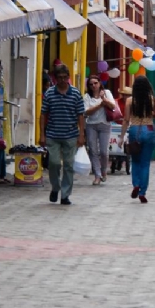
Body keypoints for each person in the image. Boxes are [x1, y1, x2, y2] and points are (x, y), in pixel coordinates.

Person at [39, 64, 86, 205]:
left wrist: (81, 134)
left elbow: (80, 115)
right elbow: (43, 115)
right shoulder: (49, 93)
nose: (62, 80)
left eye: (65, 77)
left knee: (68, 165)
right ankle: (55, 187)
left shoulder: (76, 94)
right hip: (53, 134)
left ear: (68, 78)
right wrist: (42, 135)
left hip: (71, 134)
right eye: (60, 77)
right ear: (55, 78)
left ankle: (65, 195)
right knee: (53, 163)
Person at [118, 76, 155, 203]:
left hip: (134, 130)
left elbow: (126, 120)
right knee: (145, 163)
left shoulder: (130, 101)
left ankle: (136, 184)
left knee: (135, 161)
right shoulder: (152, 100)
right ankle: (142, 192)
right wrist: (152, 113)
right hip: (148, 129)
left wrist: (121, 137)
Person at [83, 75, 116, 185]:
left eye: (95, 83)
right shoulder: (87, 96)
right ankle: (97, 175)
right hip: (91, 125)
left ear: (100, 83)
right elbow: (86, 112)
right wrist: (99, 105)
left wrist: (104, 99)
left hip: (105, 124)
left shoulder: (107, 93)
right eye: (91, 84)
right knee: (93, 150)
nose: (93, 86)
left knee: (103, 151)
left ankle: (104, 171)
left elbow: (113, 106)